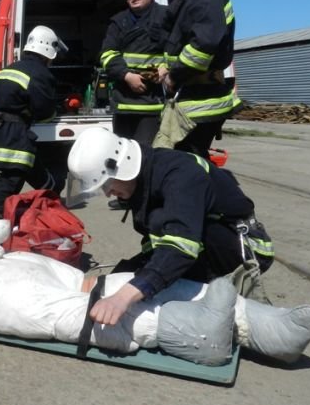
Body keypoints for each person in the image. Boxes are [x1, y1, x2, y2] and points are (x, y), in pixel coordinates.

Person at [0, 221, 310, 365]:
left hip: (18, 278)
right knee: (87, 315)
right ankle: (195, 334)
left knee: (111, 287)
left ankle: (261, 324)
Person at [66, 127, 273, 327]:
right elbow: (155, 242)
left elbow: (180, 247)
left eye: (106, 184)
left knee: (148, 285)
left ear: (121, 167)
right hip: (208, 242)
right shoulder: (144, 177)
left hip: (243, 249)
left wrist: (123, 297)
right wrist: (126, 275)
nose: (108, 194)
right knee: (126, 276)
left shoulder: (180, 176)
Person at [159, 0, 242, 157]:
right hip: (193, 92)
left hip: (201, 97)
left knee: (189, 163)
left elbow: (202, 47)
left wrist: (174, 76)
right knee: (185, 160)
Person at [0, 25, 68, 222]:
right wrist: (57, 110)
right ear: (48, 51)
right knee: (12, 179)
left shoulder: (7, 70)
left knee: (39, 177)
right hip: (15, 133)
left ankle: (54, 205)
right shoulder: (41, 74)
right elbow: (44, 112)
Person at [99, 0, 169, 147]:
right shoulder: (118, 21)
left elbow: (177, 47)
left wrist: (166, 67)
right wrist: (127, 76)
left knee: (144, 153)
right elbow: (107, 54)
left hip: (152, 104)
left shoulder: (166, 16)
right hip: (123, 103)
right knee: (122, 153)